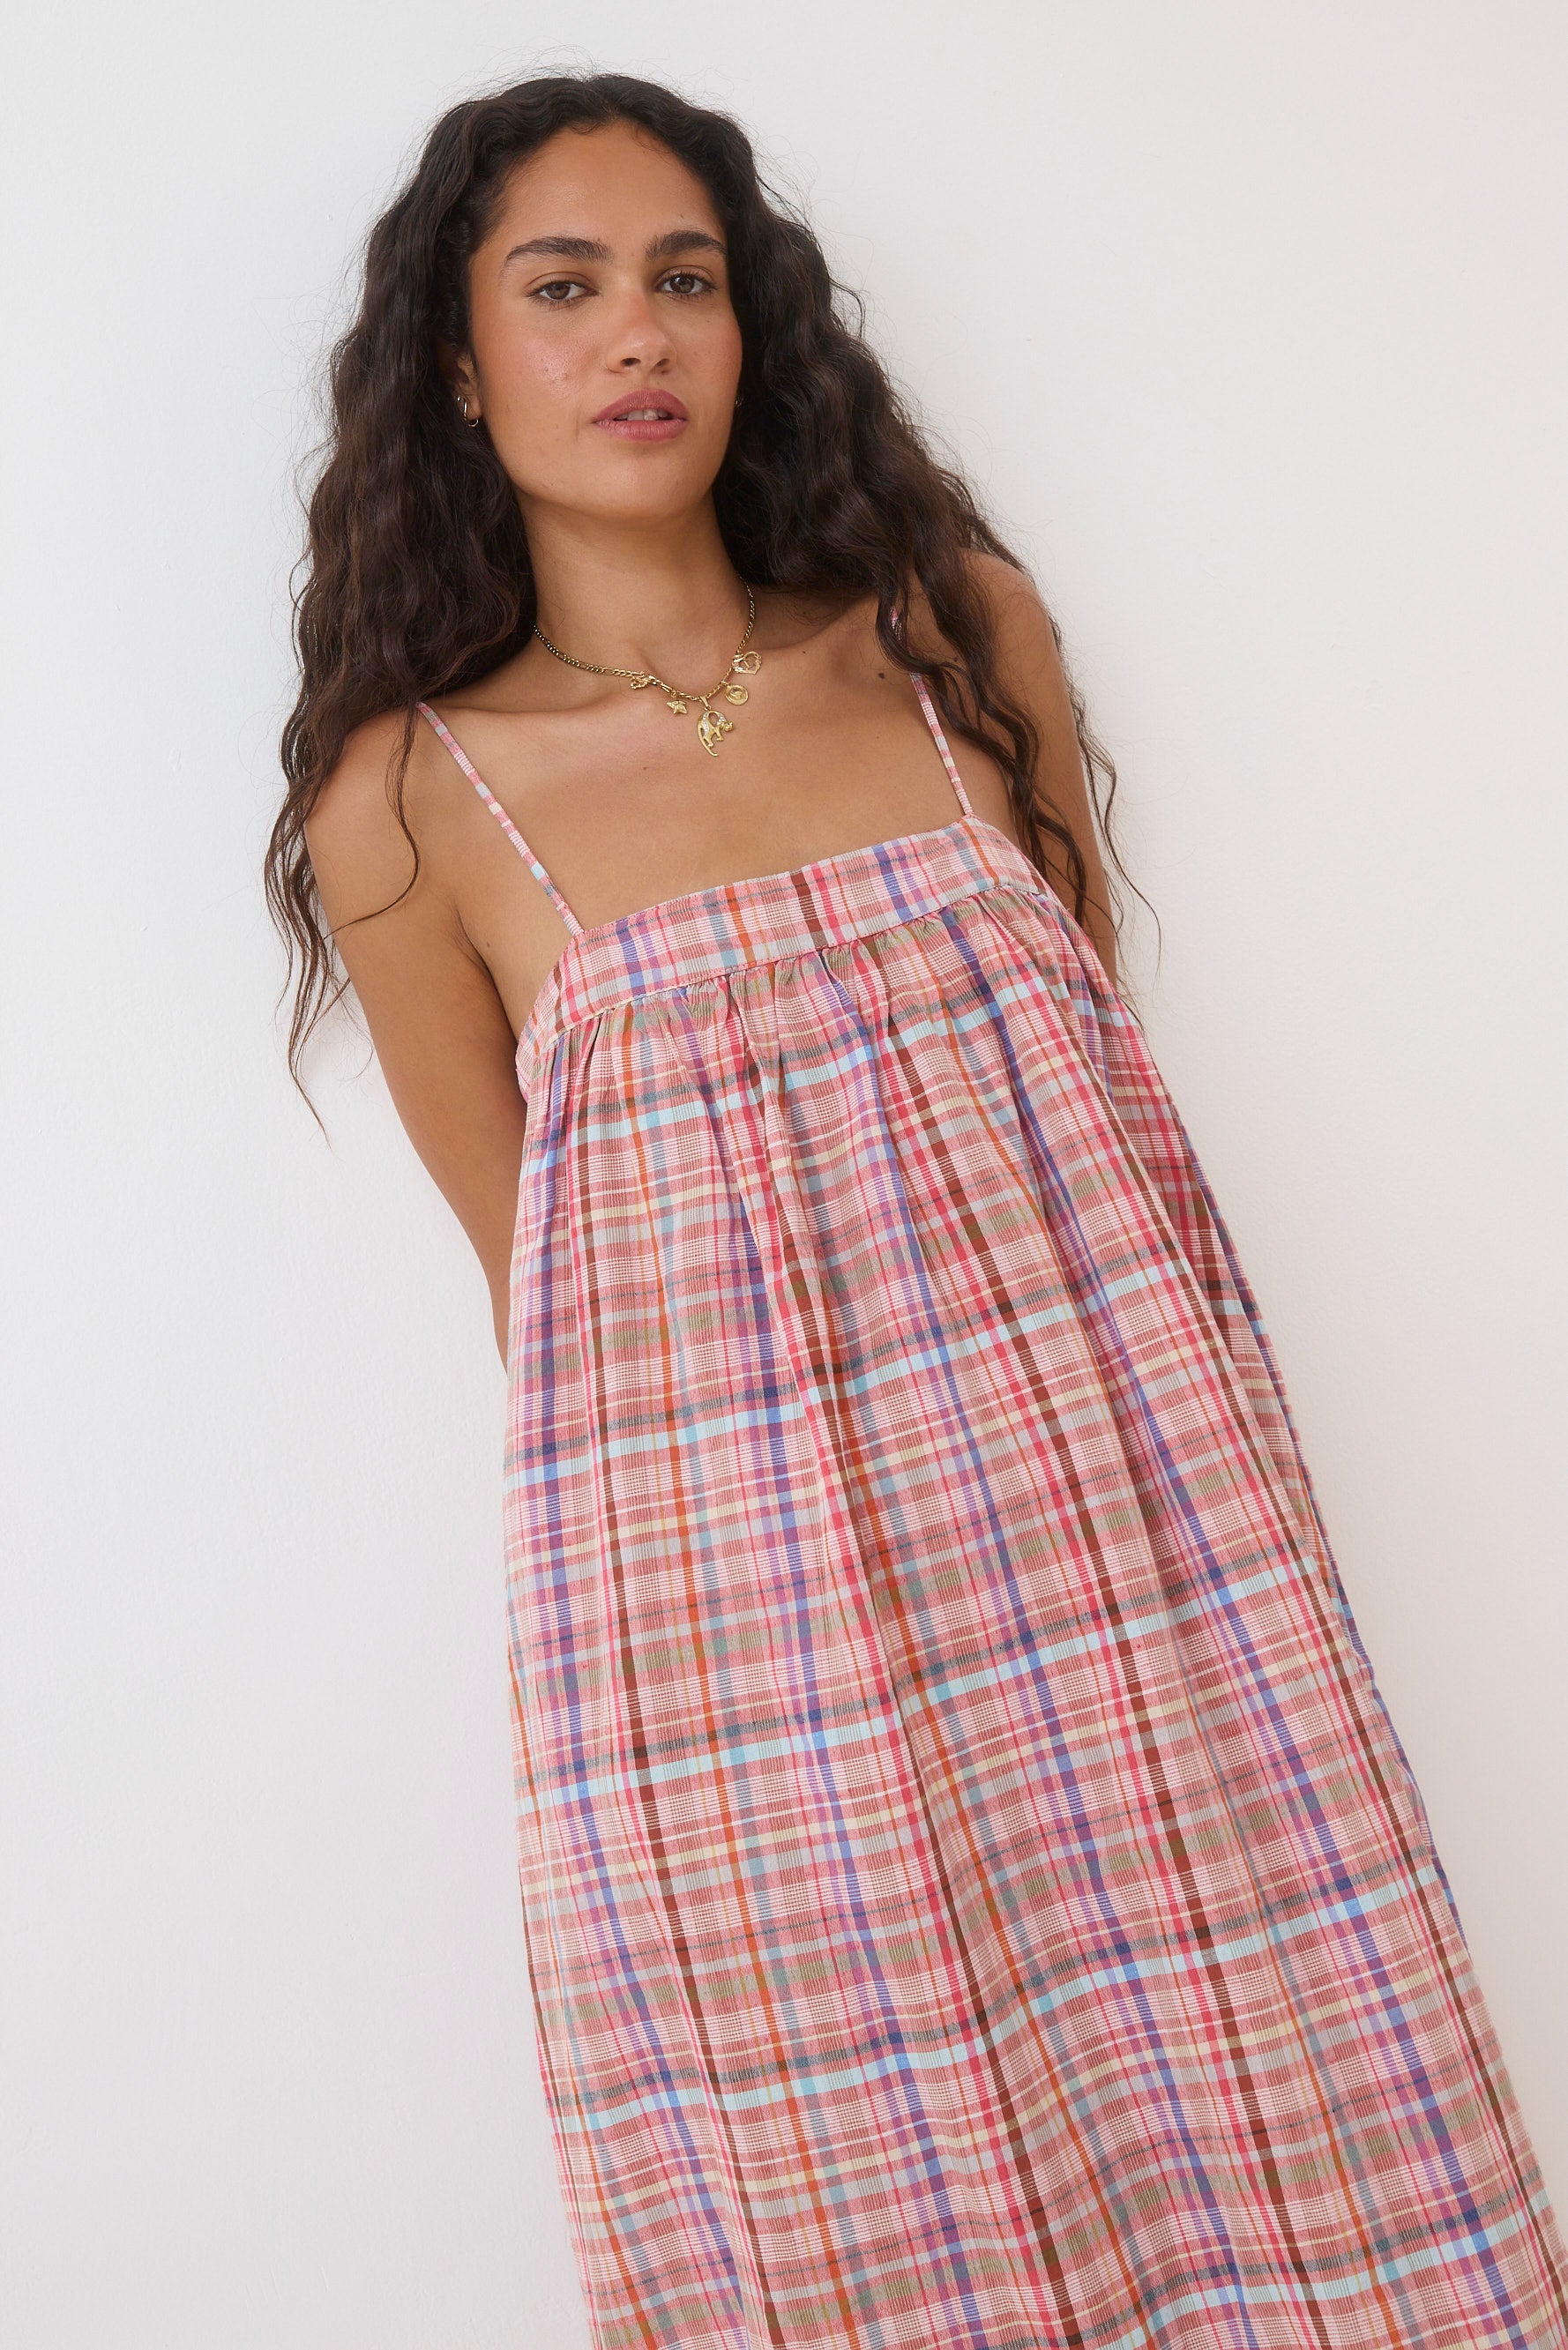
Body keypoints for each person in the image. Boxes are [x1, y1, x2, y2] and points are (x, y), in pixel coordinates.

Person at [268, 70, 1567, 2350]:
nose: (633, 332)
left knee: (1295, 2139)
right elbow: (540, 1294)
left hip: (1134, 1551)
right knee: (859, 2221)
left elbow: (1087, 1107)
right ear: (456, 371)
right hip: (742, 1640)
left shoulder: (954, 636)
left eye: (683, 278)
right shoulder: (408, 801)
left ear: (749, 326)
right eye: (559, 288)